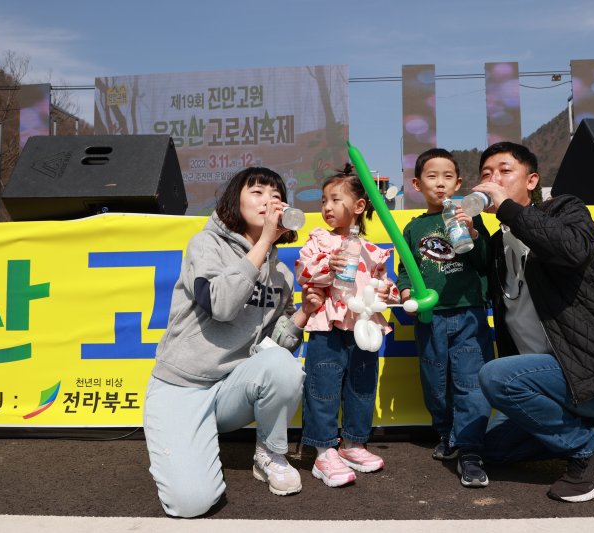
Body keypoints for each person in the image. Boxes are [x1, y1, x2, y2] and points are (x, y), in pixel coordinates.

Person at [472, 142, 594, 503]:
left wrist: (507, 208)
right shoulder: (495, 244)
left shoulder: (566, 209)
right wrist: (469, 240)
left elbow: (572, 250)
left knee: (495, 376)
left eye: (505, 171)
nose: (493, 180)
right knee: (493, 449)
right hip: (549, 378)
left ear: (532, 180)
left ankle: (585, 448)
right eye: (486, 174)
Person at [143, 167, 325, 517]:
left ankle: (269, 453)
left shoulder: (282, 274)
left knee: (283, 368)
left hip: (231, 392)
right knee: (191, 503)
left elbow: (273, 349)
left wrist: (303, 312)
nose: (268, 202)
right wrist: (264, 244)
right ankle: (180, 440)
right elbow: (222, 306)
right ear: (234, 200)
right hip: (182, 388)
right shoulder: (205, 244)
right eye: (257, 193)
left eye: (276, 195)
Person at [295, 163, 399, 487]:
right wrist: (329, 263)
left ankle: (354, 444)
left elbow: (388, 287)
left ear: (358, 207)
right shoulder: (318, 241)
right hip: (327, 328)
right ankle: (324, 451)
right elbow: (305, 273)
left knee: (362, 387)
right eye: (324, 200)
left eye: (335, 200)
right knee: (322, 388)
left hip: (363, 329)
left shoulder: (372, 251)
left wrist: (386, 290)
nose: (326, 207)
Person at [396, 148, 494, 488]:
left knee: (470, 382)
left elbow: (485, 262)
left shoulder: (469, 216)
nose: (440, 184)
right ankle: (446, 431)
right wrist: (406, 293)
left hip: (469, 313)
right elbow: (405, 271)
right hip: (430, 319)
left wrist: (476, 234)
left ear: (459, 183)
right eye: (432, 177)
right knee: (434, 382)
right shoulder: (413, 228)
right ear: (416, 184)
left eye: (448, 177)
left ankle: (471, 449)